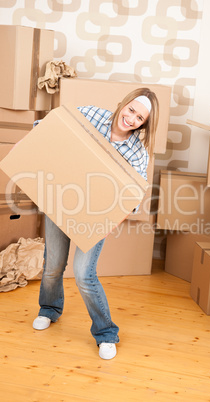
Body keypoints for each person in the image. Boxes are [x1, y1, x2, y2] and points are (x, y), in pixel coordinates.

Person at [32, 88, 159, 360]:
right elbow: (52, 126)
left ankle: (106, 333)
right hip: (62, 199)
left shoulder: (137, 152)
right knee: (53, 264)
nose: (132, 118)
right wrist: (30, 141)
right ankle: (49, 309)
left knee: (83, 273)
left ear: (144, 124)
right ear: (123, 104)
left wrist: (114, 220)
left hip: (95, 214)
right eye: (131, 110)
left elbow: (134, 194)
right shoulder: (92, 115)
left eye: (140, 117)